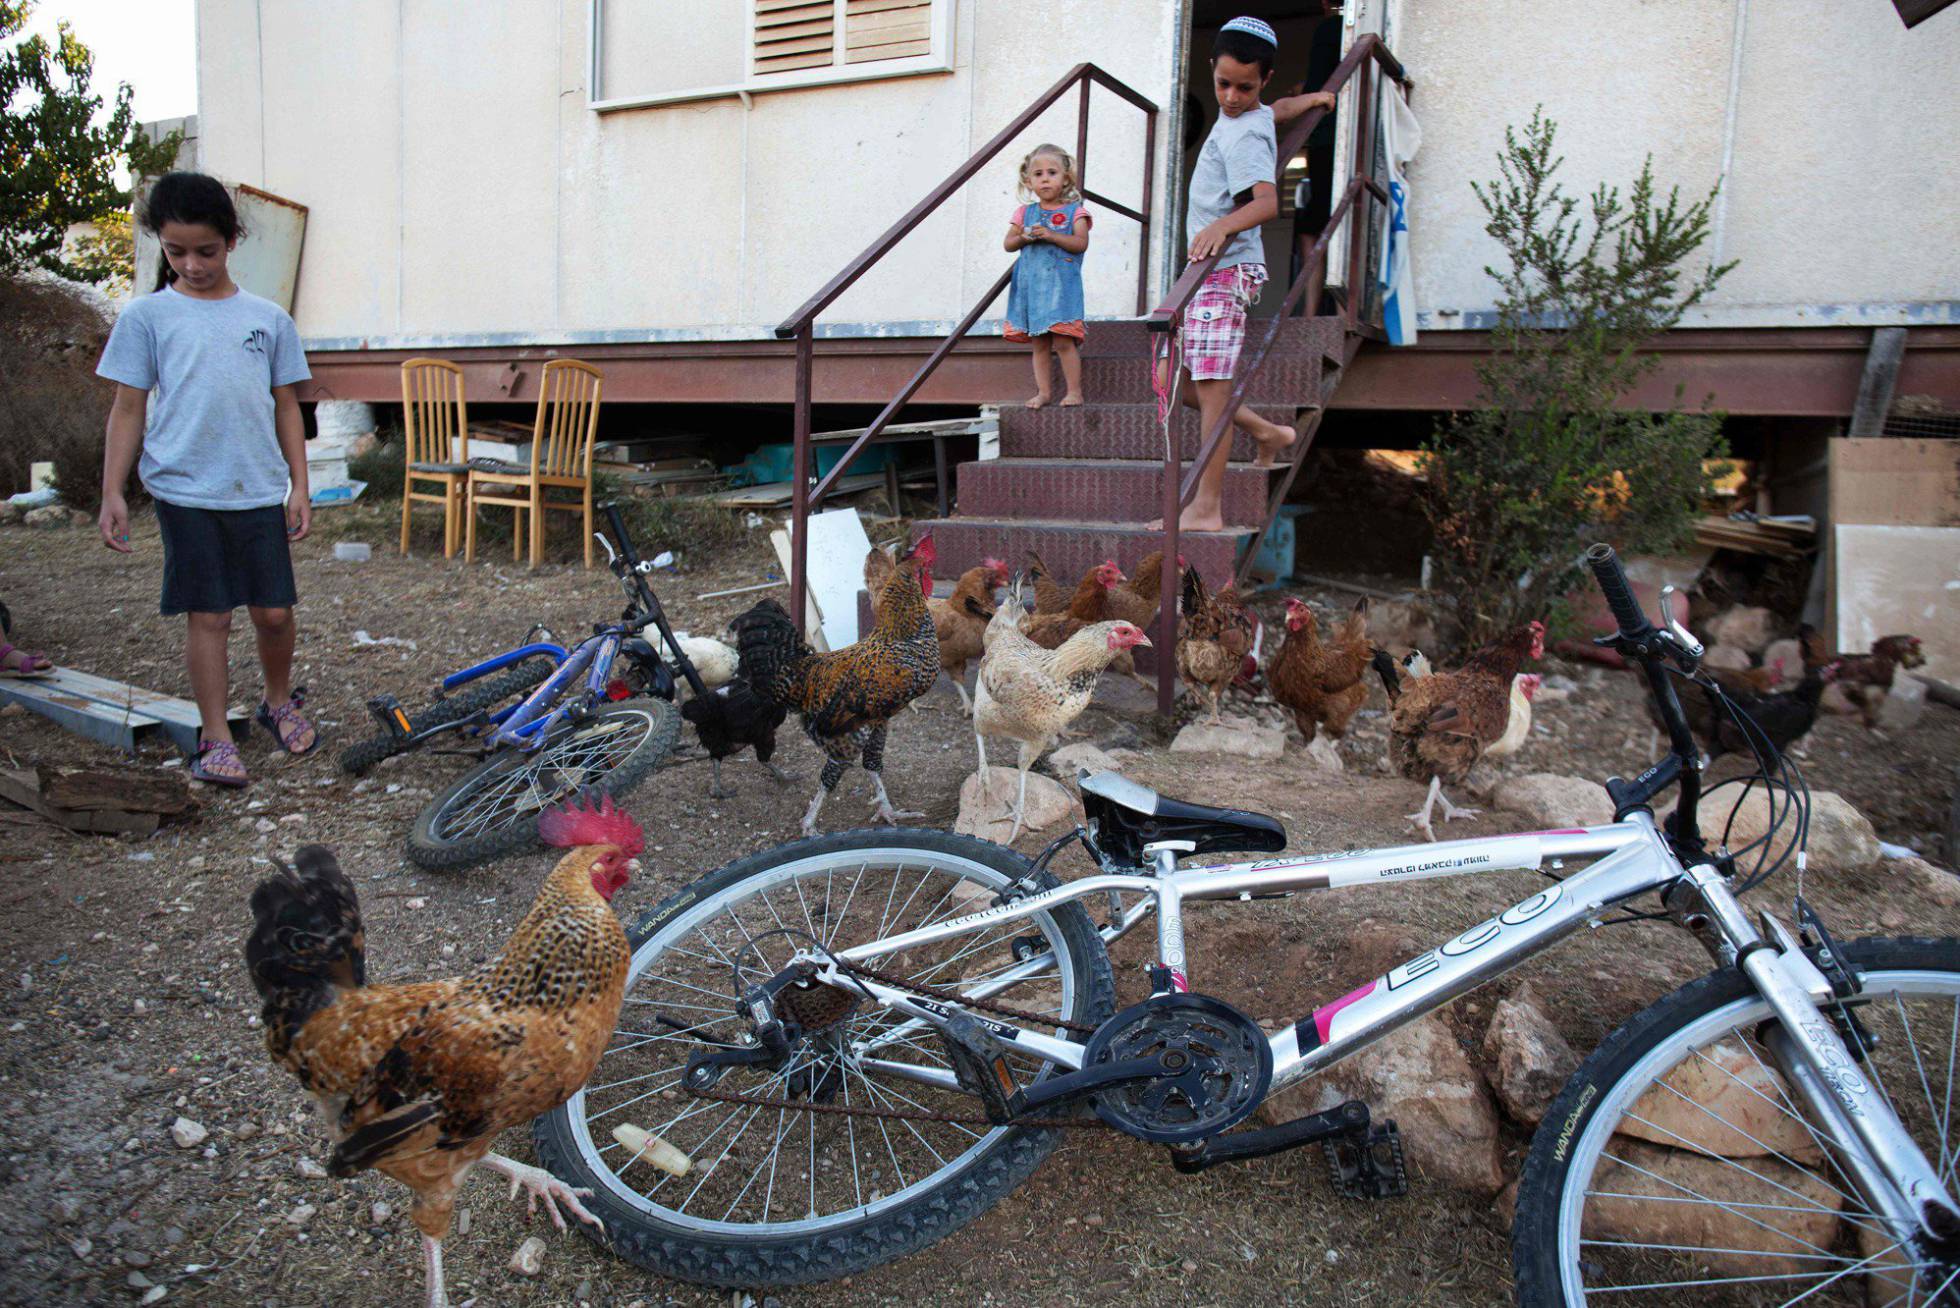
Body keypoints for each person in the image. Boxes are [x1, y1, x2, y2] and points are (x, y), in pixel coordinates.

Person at [95, 171, 319, 787]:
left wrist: (299, 485)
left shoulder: (268, 319)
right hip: (184, 490)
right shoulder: (147, 317)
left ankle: (278, 701)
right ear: (160, 245)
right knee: (211, 616)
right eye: (175, 251)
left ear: (232, 240)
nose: (191, 264)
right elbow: (128, 407)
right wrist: (112, 490)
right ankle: (216, 736)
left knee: (273, 612)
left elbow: (286, 406)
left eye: (205, 251)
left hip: (255, 489)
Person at [1155, 17, 1332, 533]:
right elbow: (1273, 113)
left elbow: (1265, 203)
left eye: (1245, 87)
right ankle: (1269, 433)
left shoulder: (1245, 140)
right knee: (1174, 379)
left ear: (1265, 78)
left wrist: (1223, 226)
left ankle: (1207, 506)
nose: (1231, 97)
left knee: (1210, 388)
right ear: (1212, 69)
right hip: (1211, 269)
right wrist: (1315, 99)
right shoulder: (1248, 117)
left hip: (1225, 270)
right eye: (1223, 84)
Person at [1003, 143, 1092, 408]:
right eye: (1038, 174)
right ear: (1029, 181)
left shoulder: (1075, 211)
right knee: (1039, 343)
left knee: (1064, 341)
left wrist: (1052, 235)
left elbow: (1080, 244)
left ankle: (1074, 391)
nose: (1045, 179)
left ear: (1065, 178)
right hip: (1032, 288)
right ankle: (1044, 392)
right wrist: (1025, 236)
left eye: (1052, 173)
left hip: (1061, 288)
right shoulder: (1024, 213)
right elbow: (1008, 244)